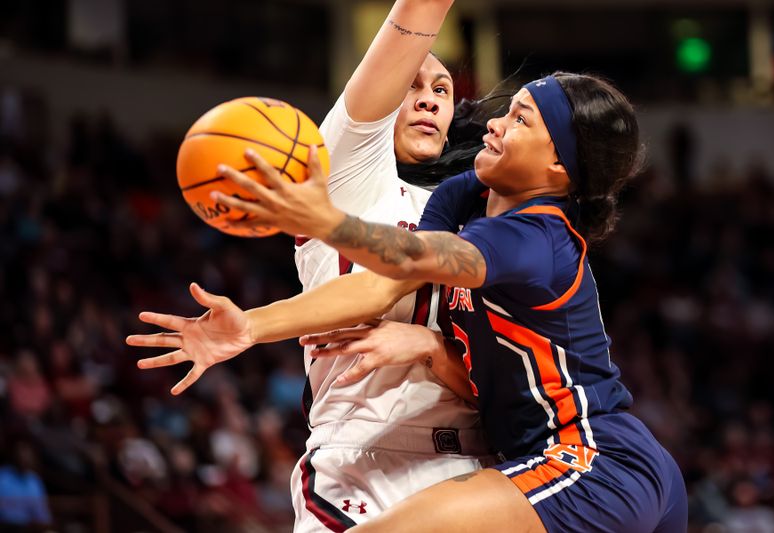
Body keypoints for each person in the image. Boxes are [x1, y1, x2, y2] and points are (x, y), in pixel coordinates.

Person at [207, 71, 689, 532]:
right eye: (509, 111)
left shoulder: (539, 235)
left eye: (521, 119)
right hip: (606, 466)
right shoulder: (469, 193)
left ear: (559, 165)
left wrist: (324, 221)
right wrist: (248, 327)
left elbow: (418, 254)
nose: (496, 123)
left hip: (591, 462)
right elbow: (387, 281)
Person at [128, 1, 497, 530]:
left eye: (441, 90)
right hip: (364, 460)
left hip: (475, 466)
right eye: (411, 85)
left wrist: (435, 351)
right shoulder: (350, 169)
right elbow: (419, 14)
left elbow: (500, 379)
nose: (428, 100)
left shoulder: (477, 218)